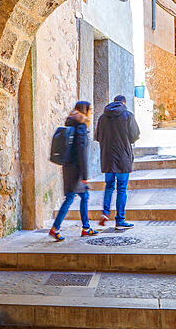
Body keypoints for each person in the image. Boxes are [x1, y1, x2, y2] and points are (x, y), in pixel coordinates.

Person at [48, 101, 99, 242]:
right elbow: (81, 152)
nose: (92, 112)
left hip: (69, 168)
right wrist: (84, 176)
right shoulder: (81, 127)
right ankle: (56, 228)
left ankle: (86, 227)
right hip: (76, 170)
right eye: (90, 110)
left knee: (83, 197)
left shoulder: (71, 124)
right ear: (85, 111)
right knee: (71, 198)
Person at [95, 95, 140, 228]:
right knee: (121, 188)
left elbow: (98, 137)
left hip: (107, 157)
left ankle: (105, 212)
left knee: (109, 186)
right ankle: (119, 219)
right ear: (124, 103)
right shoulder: (127, 115)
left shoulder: (102, 117)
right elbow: (134, 136)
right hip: (123, 157)